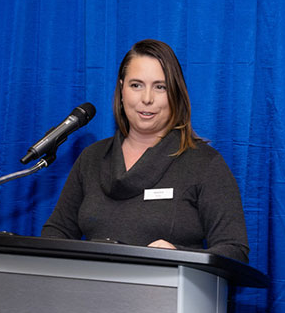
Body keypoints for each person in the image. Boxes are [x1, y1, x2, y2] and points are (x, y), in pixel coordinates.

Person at [41, 39, 250, 263]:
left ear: (175, 94)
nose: (147, 99)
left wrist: (179, 256)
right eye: (136, 85)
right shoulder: (92, 158)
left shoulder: (205, 164)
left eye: (160, 87)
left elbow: (235, 250)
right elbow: (56, 234)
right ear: (121, 89)